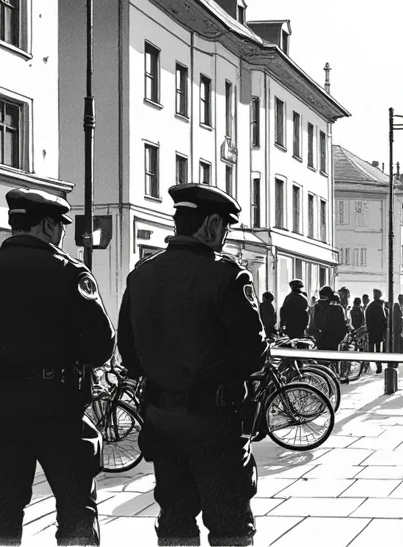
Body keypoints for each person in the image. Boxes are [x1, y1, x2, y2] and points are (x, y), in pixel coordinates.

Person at [0, 187, 115, 545]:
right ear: (45, 225)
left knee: (4, 511)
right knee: (75, 510)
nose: (61, 234)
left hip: (4, 412)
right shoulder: (68, 273)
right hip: (59, 411)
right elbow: (101, 346)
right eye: (59, 225)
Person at [117, 183, 268, 546]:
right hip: (215, 422)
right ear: (212, 225)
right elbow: (254, 354)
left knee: (175, 517)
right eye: (226, 229)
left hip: (161, 419)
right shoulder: (227, 276)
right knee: (229, 522)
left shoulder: (142, 274)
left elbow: (128, 353)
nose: (226, 237)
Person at [316, 286, 348, 352]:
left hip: (321, 339)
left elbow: (315, 324)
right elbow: (343, 325)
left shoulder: (316, 307)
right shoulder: (338, 308)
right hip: (334, 340)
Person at [366, 289, 387, 374]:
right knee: (378, 349)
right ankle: (378, 366)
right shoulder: (378, 306)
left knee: (371, 348)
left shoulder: (371, 306)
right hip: (378, 330)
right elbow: (383, 319)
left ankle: (371, 366)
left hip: (372, 330)